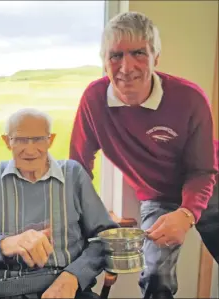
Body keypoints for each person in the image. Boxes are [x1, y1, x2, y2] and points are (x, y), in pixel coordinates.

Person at [69, 11, 219, 298]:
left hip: (210, 186)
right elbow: (79, 166)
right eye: (115, 55)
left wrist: (187, 214)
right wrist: (89, 213)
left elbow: (202, 170)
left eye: (138, 52)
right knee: (154, 275)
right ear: (104, 60)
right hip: (157, 196)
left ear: (156, 57)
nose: (126, 67)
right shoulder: (93, 99)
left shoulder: (190, 97)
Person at [0, 108, 119, 299]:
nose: (29, 150)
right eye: (20, 140)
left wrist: (74, 276)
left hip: (67, 290)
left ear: (50, 140)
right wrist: (5, 244)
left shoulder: (73, 175)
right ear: (7, 141)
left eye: (38, 139)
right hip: (2, 292)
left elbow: (108, 238)